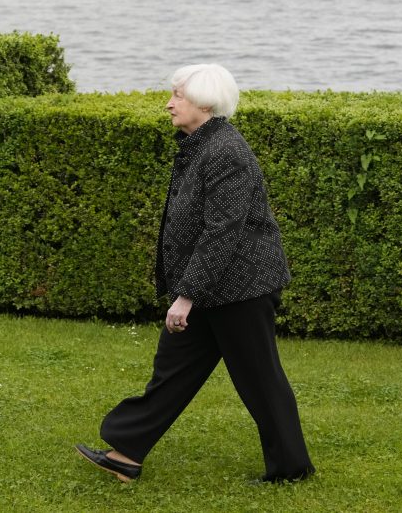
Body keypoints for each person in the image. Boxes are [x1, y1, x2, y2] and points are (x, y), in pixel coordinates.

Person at [75, 63, 316, 484]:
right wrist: (190, 291)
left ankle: (291, 468)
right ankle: (126, 453)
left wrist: (185, 295)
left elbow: (222, 232)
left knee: (260, 380)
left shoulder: (226, 151)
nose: (169, 104)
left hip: (241, 288)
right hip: (210, 285)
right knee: (173, 369)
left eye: (178, 96)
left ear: (203, 102)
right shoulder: (199, 144)